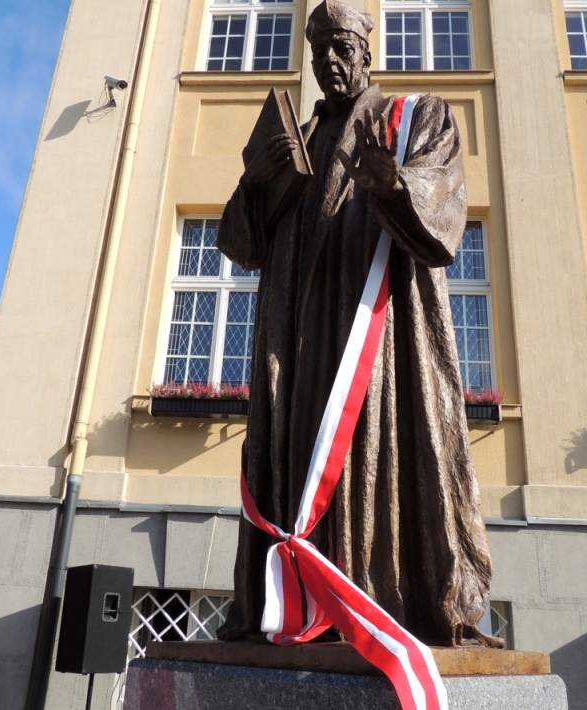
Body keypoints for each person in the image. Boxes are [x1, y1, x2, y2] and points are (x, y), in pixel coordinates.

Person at [217, 0, 496, 648]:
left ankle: (371, 602)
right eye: (320, 54)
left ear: (366, 51)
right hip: (294, 342)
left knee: (372, 461)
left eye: (343, 49)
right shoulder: (298, 138)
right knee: (293, 462)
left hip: (376, 344)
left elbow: (445, 219)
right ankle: (291, 607)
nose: (331, 63)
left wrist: (394, 185)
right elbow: (242, 242)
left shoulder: (411, 117)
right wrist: (256, 186)